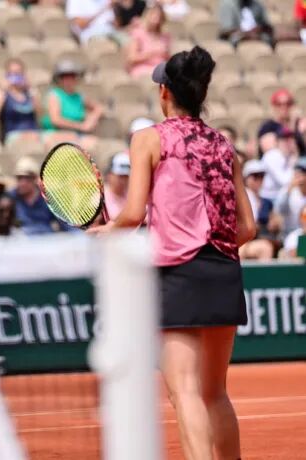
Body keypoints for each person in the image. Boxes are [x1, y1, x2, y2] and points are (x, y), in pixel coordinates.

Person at [89, 47, 255, 460]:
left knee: (184, 391)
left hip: (179, 275)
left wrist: (106, 231)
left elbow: (132, 214)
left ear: (164, 92)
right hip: (224, 272)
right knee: (215, 392)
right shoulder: (224, 145)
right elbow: (248, 228)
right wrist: (211, 246)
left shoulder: (147, 139)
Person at [41, 60, 103, 150]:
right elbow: (56, 120)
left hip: (77, 134)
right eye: (65, 76)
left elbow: (99, 107)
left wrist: (91, 119)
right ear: (59, 79)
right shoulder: (54, 95)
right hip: (57, 133)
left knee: (95, 144)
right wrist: (81, 126)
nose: (69, 79)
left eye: (72, 76)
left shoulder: (78, 96)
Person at [10, 156, 70, 235]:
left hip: (45, 239)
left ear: (35, 179)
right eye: (19, 178)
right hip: (20, 240)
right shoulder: (10, 198)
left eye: (27, 178)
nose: (22, 183)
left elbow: (66, 225)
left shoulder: (48, 199)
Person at [0, 58, 42, 144]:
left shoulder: (30, 93)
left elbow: (40, 115)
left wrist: (31, 90)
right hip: (13, 134)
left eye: (18, 73)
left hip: (34, 133)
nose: (15, 76)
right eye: (12, 73)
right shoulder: (2, 93)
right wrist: (2, 90)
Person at [239, 159, 276, 260]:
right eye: (255, 176)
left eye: (261, 176)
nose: (259, 180)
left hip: (260, 239)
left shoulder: (267, 201)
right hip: (243, 241)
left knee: (266, 247)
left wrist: (274, 224)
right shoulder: (240, 198)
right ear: (245, 178)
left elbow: (275, 222)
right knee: (265, 248)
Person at [126, 3, 171, 79]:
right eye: (154, 15)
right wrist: (152, 53)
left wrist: (165, 54)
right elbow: (132, 58)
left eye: (159, 17)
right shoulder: (138, 33)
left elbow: (168, 58)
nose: (156, 19)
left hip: (161, 69)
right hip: (143, 69)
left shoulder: (166, 36)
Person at [257, 89, 306, 156]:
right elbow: (269, 148)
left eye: (288, 103)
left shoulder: (299, 123)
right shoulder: (267, 126)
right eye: (279, 104)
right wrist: (292, 129)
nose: (284, 107)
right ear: (274, 106)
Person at [260, 126, 299, 202]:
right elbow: (284, 181)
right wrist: (294, 160)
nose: (288, 143)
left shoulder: (289, 156)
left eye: (290, 139)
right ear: (277, 142)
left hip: (281, 197)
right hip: (268, 199)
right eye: (284, 139)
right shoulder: (271, 156)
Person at [275, 156, 306, 235]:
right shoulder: (287, 190)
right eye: (298, 172)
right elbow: (281, 210)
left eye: (303, 173)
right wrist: (289, 190)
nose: (300, 176)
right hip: (289, 234)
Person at [103, 152, 130, 220]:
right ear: (109, 175)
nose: (123, 181)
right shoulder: (98, 199)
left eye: (126, 176)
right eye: (120, 176)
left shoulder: (133, 196)